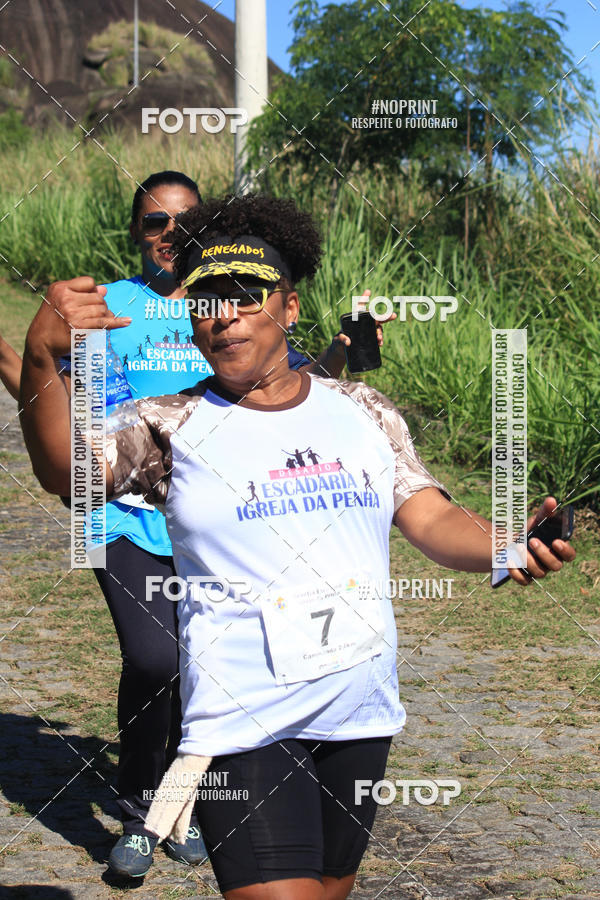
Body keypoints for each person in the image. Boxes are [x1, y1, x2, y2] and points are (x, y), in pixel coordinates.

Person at [20, 194, 575, 899]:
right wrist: (42, 355)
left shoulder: (362, 411)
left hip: (360, 713)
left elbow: (432, 519)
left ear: (290, 307)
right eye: (205, 300)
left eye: (246, 296)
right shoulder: (168, 424)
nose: (222, 315)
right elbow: (67, 473)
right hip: (244, 725)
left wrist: (507, 545)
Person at [1, 174, 384, 877]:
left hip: (210, 521)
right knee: (155, 658)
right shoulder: (113, 307)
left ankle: (168, 810)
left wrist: (344, 352)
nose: (167, 236)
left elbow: (296, 390)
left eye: (182, 223)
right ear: (136, 232)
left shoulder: (230, 300)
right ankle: (144, 794)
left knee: (201, 664)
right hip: (117, 513)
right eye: (153, 223)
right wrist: (36, 361)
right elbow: (49, 389)